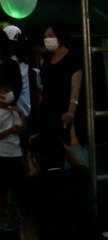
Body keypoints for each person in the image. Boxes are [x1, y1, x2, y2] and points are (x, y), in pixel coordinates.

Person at [12, 133, 107, 240]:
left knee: (25, 224)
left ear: (34, 160)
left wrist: (34, 165)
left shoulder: (28, 185)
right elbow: (80, 163)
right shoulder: (79, 175)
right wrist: (58, 143)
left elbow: (25, 212)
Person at [37, 21, 86, 164]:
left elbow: (75, 87)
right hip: (49, 112)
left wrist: (71, 110)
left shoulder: (73, 58)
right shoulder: (47, 58)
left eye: (51, 35)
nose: (47, 39)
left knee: (72, 152)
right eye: (45, 36)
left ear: (61, 36)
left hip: (66, 113)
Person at [0, 81, 25, 232]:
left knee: (17, 186)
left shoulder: (12, 111)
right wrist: (9, 131)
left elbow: (22, 128)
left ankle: (15, 214)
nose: (10, 93)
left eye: (10, 89)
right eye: (6, 90)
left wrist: (20, 114)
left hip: (15, 153)